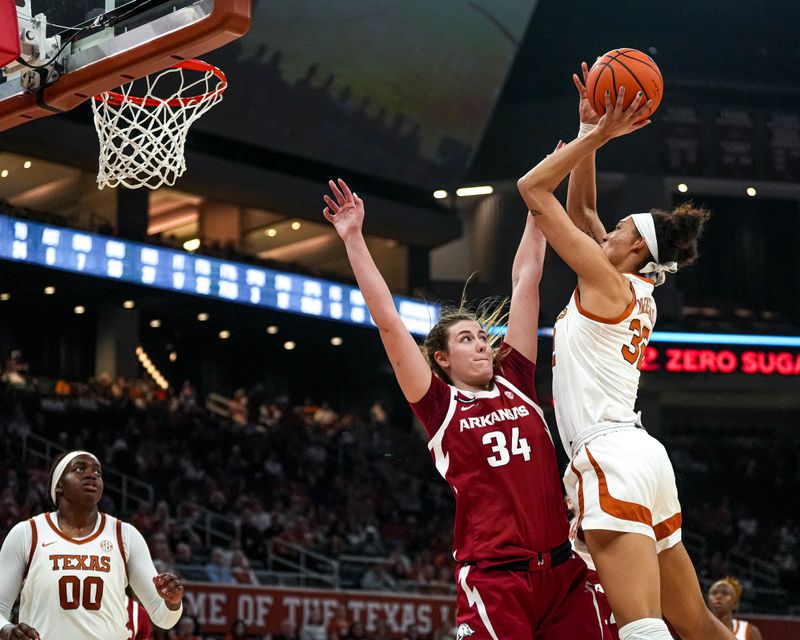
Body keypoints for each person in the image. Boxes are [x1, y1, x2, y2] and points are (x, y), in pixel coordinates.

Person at [323, 178, 608, 639]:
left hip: (562, 573)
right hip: (496, 581)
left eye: (481, 336)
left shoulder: (516, 379)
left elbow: (526, 277)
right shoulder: (439, 406)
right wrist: (354, 238)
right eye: (466, 339)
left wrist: (542, 197)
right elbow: (389, 323)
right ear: (441, 359)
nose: (481, 345)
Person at [517, 68, 731, 640]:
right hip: (646, 460)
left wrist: (598, 137)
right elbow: (581, 207)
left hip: (608, 455)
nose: (600, 230)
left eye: (613, 229)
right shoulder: (635, 288)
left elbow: (532, 191)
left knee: (641, 628)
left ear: (636, 245)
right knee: (698, 624)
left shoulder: (606, 283)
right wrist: (587, 124)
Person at [0, 451, 184, 640]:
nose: (91, 475)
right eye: (79, 469)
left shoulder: (126, 535)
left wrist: (172, 602)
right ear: (59, 485)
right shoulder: (27, 533)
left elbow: (163, 618)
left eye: (97, 472)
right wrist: (6, 630)